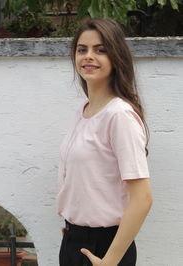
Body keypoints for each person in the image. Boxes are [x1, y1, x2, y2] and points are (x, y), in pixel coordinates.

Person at [57, 18, 153, 266]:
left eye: (100, 50)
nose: (89, 56)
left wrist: (109, 260)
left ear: (116, 56)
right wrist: (75, 225)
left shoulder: (118, 115)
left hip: (104, 249)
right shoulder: (84, 111)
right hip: (74, 241)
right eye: (82, 49)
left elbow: (142, 198)